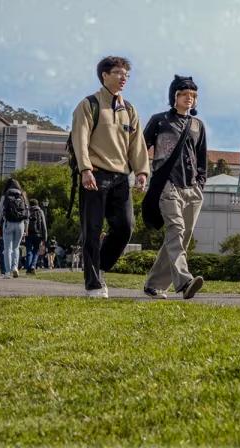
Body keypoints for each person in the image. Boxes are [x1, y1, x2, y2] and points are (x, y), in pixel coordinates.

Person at [71, 56, 150, 299]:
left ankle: (99, 267)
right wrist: (85, 169)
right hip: (94, 174)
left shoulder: (130, 110)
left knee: (126, 227)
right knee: (92, 230)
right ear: (104, 75)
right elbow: (80, 138)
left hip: (120, 178)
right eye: (117, 72)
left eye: (126, 73)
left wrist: (142, 172)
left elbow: (137, 144)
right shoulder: (89, 104)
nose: (123, 77)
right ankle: (93, 284)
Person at [142, 75, 207, 301]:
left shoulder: (198, 125)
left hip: (192, 188)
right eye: (184, 94)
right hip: (166, 184)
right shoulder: (159, 121)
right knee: (176, 230)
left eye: (193, 95)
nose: (189, 98)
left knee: (181, 236)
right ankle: (184, 281)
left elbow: (202, 158)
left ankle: (153, 285)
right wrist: (141, 173)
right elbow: (141, 148)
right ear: (174, 96)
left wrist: (200, 183)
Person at [0, 178, 29, 278]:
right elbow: (27, 212)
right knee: (16, 247)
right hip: (20, 224)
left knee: (7, 248)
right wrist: (26, 227)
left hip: (8, 223)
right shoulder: (23, 195)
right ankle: (15, 268)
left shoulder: (5, 196)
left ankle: (8, 272)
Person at [24, 202, 47, 275]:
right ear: (37, 204)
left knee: (29, 250)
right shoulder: (40, 211)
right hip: (38, 234)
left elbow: (24, 222)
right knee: (36, 251)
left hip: (28, 234)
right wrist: (45, 237)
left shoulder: (27, 211)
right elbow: (43, 224)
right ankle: (33, 266)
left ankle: (28, 268)